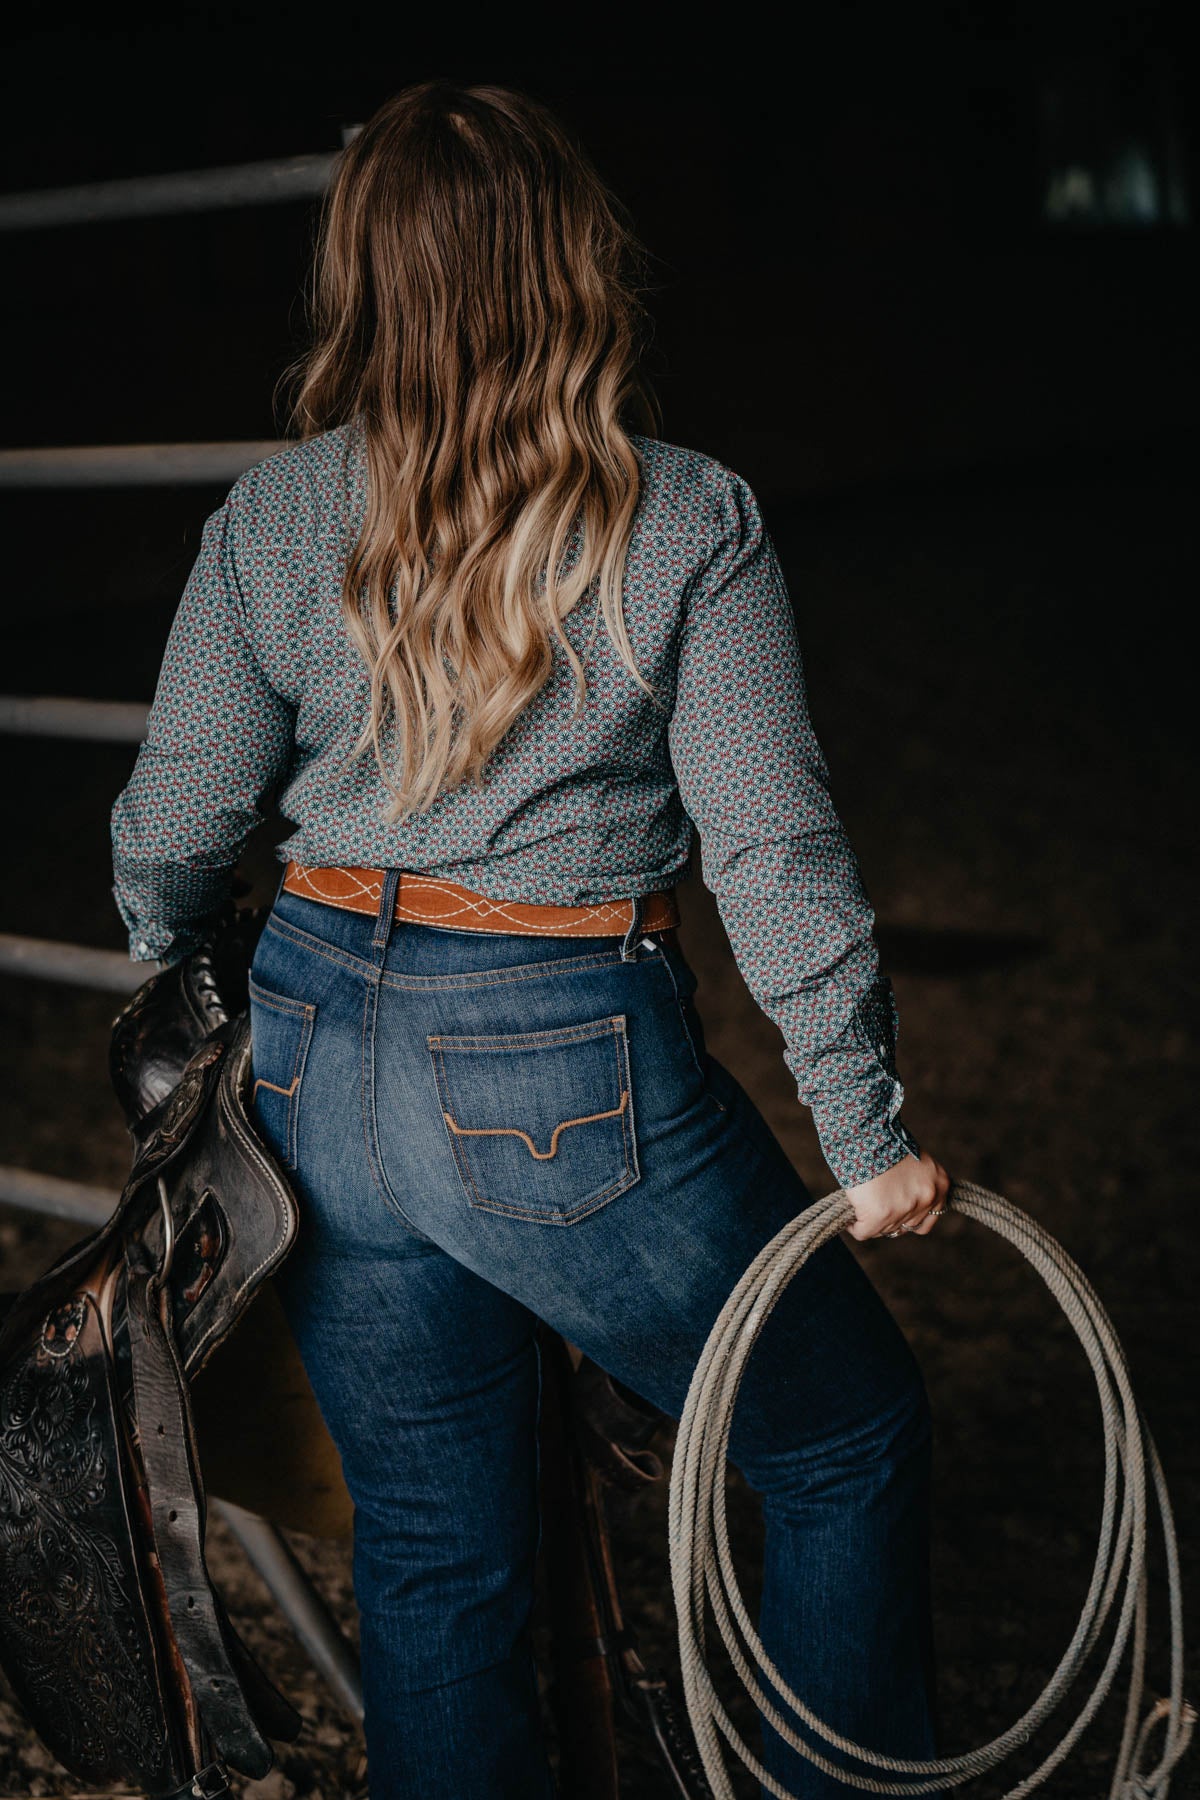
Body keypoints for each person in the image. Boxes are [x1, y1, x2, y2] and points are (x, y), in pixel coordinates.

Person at [109, 79, 951, 1800]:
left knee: (437, 1560)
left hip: (313, 1058)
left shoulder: (271, 522)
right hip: (556, 1061)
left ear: (365, 278)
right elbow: (774, 847)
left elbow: (172, 828)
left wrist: (175, 960)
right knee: (845, 1437)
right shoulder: (683, 519)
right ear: (575, 265)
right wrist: (864, 1139)